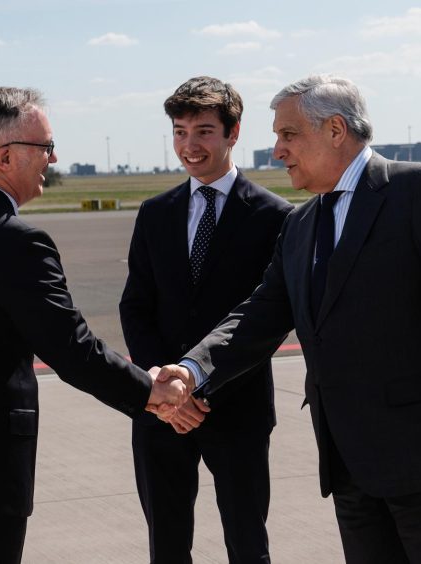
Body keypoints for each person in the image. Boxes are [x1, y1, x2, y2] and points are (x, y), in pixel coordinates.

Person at [159, 75, 421, 563]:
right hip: (349, 467)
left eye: (288, 134)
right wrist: (192, 368)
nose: (277, 151)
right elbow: (260, 313)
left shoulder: (418, 190)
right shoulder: (300, 224)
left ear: (335, 130)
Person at [0, 86, 184, 564]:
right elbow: (71, 347)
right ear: (5, 157)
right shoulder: (15, 241)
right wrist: (150, 391)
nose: (53, 158)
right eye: (45, 147)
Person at [119, 76, 292, 564]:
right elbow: (135, 306)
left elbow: (269, 316)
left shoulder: (274, 216)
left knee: (247, 544)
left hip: (237, 407)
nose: (189, 146)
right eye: (180, 132)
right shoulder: (155, 213)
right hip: (160, 409)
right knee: (167, 546)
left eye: (203, 132)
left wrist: (199, 387)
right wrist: (168, 390)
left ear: (233, 133)